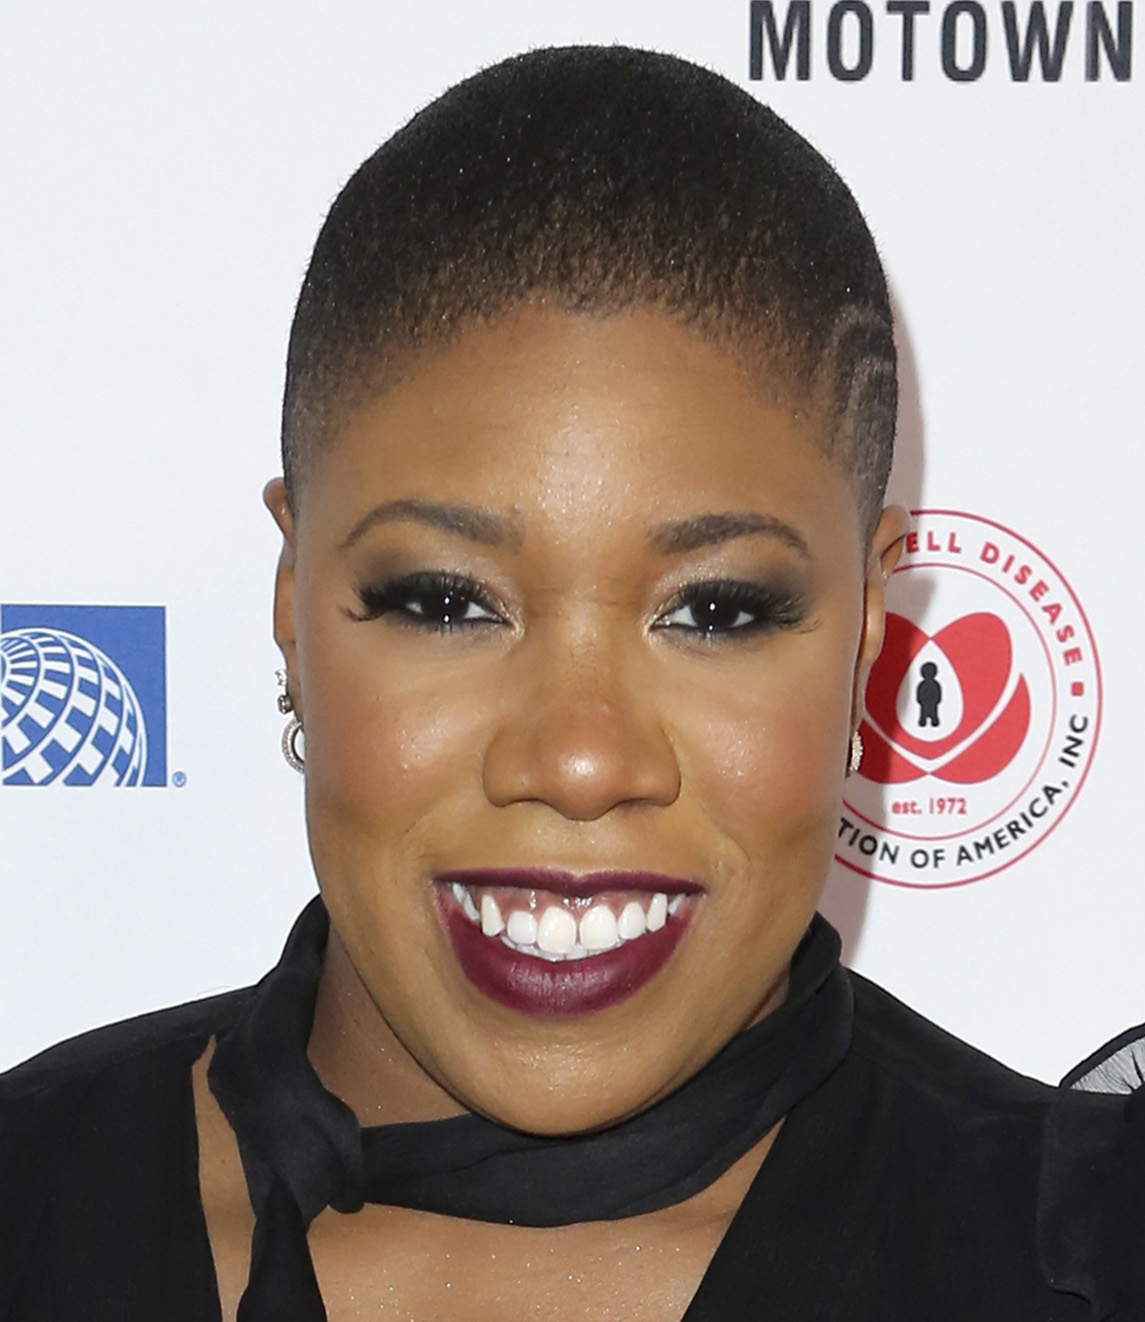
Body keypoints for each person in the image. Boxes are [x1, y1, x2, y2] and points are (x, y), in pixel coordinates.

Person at [0, 45, 1128, 1321]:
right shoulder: (27, 1197)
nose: (581, 760)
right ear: (292, 597)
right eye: (445, 601)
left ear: (872, 619)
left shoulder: (1087, 1261)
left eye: (714, 609)